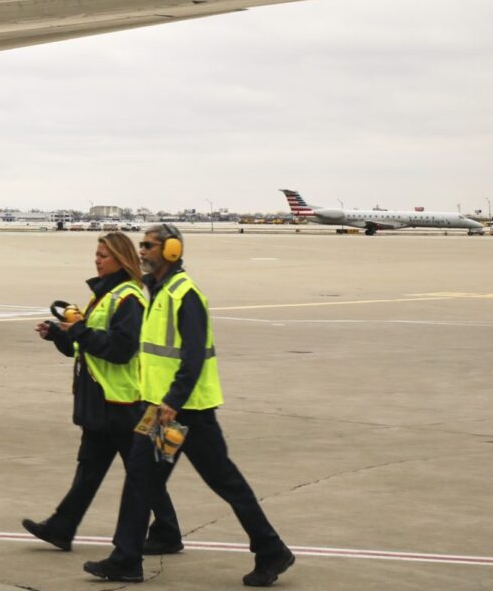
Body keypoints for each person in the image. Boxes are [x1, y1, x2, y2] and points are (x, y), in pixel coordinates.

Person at [84, 223, 294, 586]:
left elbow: (193, 357)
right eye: (141, 245)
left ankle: (271, 549)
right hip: (162, 410)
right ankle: (126, 559)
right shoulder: (157, 291)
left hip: (186, 412)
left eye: (149, 245)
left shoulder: (185, 294)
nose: (142, 251)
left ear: (171, 251)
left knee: (224, 481)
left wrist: (173, 401)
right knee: (141, 479)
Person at [22, 233, 183, 555]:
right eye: (96, 254)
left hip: (122, 403)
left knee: (138, 471)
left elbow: (121, 350)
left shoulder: (128, 298)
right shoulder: (106, 295)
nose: (97, 260)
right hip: (102, 401)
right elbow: (86, 347)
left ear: (120, 260)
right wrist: (60, 336)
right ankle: (62, 527)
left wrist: (79, 330)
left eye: (103, 255)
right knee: (91, 468)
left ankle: (166, 531)